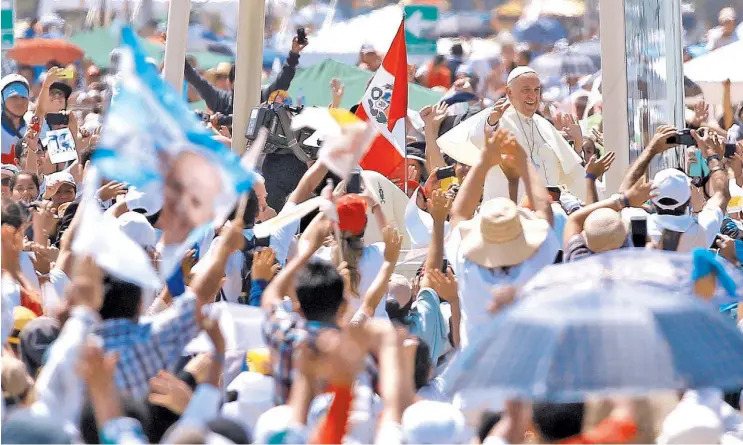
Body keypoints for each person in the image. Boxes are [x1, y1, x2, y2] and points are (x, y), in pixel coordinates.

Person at [446, 127, 559, 349]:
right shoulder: (536, 263)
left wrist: (484, 162)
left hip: (478, 377)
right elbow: (544, 211)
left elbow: (458, 214)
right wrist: (525, 162)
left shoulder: (467, 265)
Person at [481, 67, 587, 203]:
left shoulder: (545, 126)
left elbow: (570, 172)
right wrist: (492, 122)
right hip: (507, 212)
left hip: (545, 213)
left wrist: (577, 143)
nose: (533, 96)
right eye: (526, 90)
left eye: (536, 90)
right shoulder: (497, 119)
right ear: (509, 92)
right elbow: (479, 142)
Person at [620, 126, 729, 252]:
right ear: (689, 199)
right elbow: (722, 193)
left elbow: (624, 195)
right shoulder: (702, 230)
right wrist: (712, 155)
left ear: (652, 198)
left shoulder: (639, 225)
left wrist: (651, 150)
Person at [183, 35, 307, 115]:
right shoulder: (220, 100)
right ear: (230, 83)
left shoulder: (261, 96)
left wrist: (294, 54)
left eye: (249, 81)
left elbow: (282, 82)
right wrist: (175, 48)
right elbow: (197, 80)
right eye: (241, 80)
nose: (245, 85)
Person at [1, 74, 30, 165]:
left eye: (23, 97)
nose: (20, 102)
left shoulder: (33, 125)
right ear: (2, 100)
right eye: (13, 97)